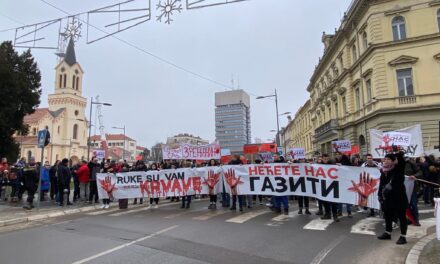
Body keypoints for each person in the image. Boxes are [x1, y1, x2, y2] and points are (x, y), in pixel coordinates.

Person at [377, 151, 408, 245]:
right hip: (388, 198)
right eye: (385, 159)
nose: (386, 161)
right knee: (388, 215)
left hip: (399, 197)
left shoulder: (398, 169)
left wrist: (397, 153)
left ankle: (403, 236)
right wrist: (379, 195)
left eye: (388, 159)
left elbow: (402, 162)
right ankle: (388, 233)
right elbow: (381, 184)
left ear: (393, 161)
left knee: (401, 217)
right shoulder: (383, 171)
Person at [320, 154, 339, 222]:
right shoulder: (319, 165)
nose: (326, 160)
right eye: (324, 159)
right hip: (324, 185)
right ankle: (327, 214)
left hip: (332, 185)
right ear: (322, 159)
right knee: (325, 201)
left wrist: (339, 166)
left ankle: (335, 215)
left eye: (327, 159)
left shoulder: (332, 165)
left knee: (333, 201)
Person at [405, 156, 423, 226]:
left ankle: (416, 219)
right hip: (401, 188)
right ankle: (409, 219)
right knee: (405, 205)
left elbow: (420, 172)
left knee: (413, 204)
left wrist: (415, 176)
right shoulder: (396, 164)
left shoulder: (411, 163)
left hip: (412, 187)